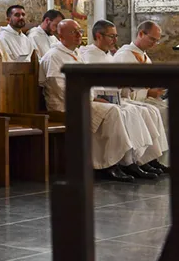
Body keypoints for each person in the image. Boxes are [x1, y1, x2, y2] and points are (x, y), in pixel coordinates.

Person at [39, 20, 162, 181]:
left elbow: (87, 81)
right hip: (66, 105)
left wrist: (96, 96)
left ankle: (133, 160)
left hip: (86, 99)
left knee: (132, 109)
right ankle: (110, 165)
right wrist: (93, 97)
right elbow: (59, 88)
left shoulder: (74, 54)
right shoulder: (54, 56)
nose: (79, 35)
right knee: (113, 111)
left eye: (80, 32)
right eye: (73, 32)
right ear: (60, 35)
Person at [79, 20, 169, 171]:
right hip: (99, 99)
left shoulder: (108, 56)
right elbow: (90, 83)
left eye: (116, 36)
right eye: (111, 36)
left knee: (148, 111)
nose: (115, 40)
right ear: (98, 36)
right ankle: (123, 162)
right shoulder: (88, 56)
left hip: (114, 98)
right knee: (130, 111)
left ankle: (146, 158)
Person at [113, 21, 170, 167]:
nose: (154, 43)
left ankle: (161, 158)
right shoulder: (124, 56)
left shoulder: (145, 57)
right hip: (128, 101)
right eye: (152, 39)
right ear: (140, 34)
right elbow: (119, 88)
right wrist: (148, 91)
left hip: (144, 99)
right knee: (162, 111)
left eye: (157, 41)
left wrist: (154, 90)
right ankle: (148, 159)